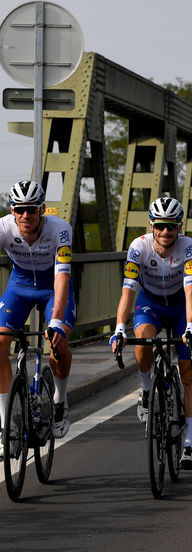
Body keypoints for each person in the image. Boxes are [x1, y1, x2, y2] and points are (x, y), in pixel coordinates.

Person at [110, 197, 192, 469]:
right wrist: (118, 328)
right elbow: (128, 290)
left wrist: (191, 327)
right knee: (143, 344)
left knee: (189, 372)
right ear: (151, 225)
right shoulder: (138, 247)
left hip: (179, 306)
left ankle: (189, 444)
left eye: (171, 227)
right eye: (160, 226)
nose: (165, 232)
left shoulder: (188, 247)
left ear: (179, 227)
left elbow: (191, 290)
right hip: (149, 304)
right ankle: (146, 390)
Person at [0, 181, 76, 452]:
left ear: (42, 209)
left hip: (52, 285)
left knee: (58, 341)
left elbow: (63, 277)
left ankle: (59, 400)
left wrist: (55, 320)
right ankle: (6, 426)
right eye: (19, 210)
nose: (25, 216)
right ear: (12, 210)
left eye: (32, 210)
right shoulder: (4, 227)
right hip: (19, 284)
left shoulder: (60, 229)